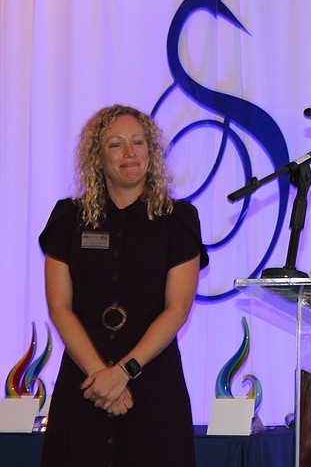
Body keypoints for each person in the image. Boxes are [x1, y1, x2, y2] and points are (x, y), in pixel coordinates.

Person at [38, 105, 208, 467]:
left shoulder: (178, 221)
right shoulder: (68, 219)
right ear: (97, 157)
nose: (129, 153)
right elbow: (59, 307)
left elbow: (177, 309)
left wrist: (123, 373)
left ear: (151, 151)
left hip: (153, 387)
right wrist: (101, 377)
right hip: (85, 386)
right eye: (116, 144)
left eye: (138, 142)